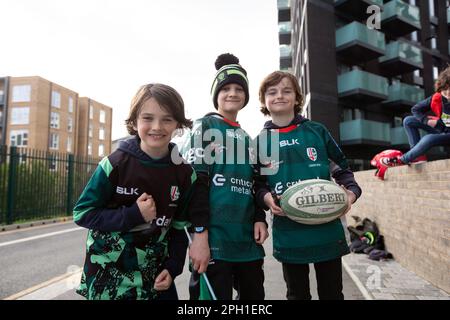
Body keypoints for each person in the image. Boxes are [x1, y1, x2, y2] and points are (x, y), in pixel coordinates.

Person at [73, 83, 210, 300]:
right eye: (148, 118)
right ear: (135, 121)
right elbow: (82, 213)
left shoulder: (185, 174)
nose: (157, 126)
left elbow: (179, 227)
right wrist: (133, 215)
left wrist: (173, 266)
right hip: (108, 280)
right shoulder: (114, 164)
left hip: (155, 280)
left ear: (177, 124)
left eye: (167, 119)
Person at [254, 71, 362, 300]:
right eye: (272, 92)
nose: (279, 96)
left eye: (286, 90)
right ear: (264, 100)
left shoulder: (316, 131)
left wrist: (349, 195)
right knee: (297, 294)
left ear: (296, 97)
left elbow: (343, 171)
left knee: (332, 293)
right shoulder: (261, 142)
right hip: (289, 230)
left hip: (326, 228)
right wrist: (266, 199)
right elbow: (258, 185)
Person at [180, 53, 268, 300]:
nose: (232, 93)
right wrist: (199, 235)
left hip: (247, 245)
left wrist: (260, 217)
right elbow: (196, 184)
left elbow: (255, 184)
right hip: (213, 243)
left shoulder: (249, 139)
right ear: (216, 94)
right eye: (225, 88)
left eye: (239, 88)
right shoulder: (205, 127)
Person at [382, 65, 450, 166]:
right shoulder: (437, 98)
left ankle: (401, 160)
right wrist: (426, 120)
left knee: (428, 138)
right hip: (442, 128)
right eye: (445, 91)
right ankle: (417, 157)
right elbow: (416, 109)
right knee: (408, 121)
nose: (448, 94)